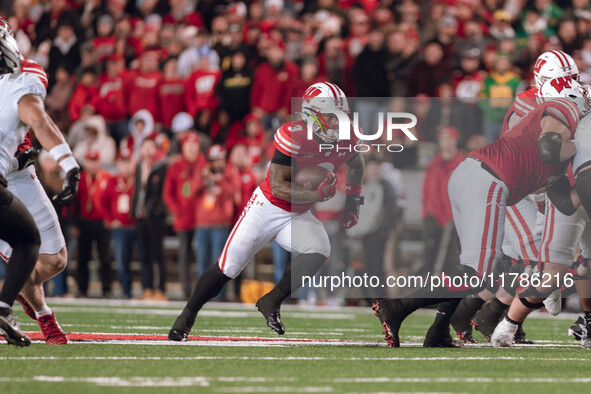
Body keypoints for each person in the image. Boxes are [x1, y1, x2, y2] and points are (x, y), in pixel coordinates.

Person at [373, 76, 585, 348]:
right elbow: (549, 147)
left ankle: (438, 330)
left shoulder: (562, 139)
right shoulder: (564, 108)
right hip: (489, 181)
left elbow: (565, 202)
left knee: (474, 269)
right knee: (479, 275)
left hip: (476, 175)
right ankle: (398, 307)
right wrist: (579, 145)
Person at [168, 82, 364, 341]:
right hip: (267, 207)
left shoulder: (348, 136)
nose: (339, 123)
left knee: (320, 249)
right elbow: (280, 187)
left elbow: (356, 164)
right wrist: (316, 195)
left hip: (298, 213)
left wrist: (352, 202)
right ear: (312, 114)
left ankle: (271, 300)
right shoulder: (294, 135)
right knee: (228, 268)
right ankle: (187, 315)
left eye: (342, 116)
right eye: (331, 116)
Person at [0, 18, 80, 346]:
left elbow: (38, 119)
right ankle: (44, 317)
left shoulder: (26, 74)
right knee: (26, 245)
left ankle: (13, 293)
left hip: (18, 177)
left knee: (55, 259)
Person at [163, 133, 206, 299]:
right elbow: (168, 193)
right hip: (183, 219)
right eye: (188, 145)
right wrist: (177, 210)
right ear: (183, 147)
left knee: (203, 255)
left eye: (194, 145)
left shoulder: (204, 165)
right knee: (184, 256)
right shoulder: (175, 167)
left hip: (202, 219)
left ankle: (203, 289)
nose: (191, 148)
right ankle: (186, 290)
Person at [421, 127, 464, 275]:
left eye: (449, 140)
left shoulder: (463, 165)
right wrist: (426, 214)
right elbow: (426, 192)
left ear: (455, 141)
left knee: (451, 259)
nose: (446, 143)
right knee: (430, 257)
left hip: (454, 220)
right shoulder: (433, 165)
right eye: (443, 140)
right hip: (433, 218)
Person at [132, 138, 169, 301]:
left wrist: (157, 210)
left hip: (155, 216)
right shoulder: (140, 167)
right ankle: (147, 288)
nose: (147, 150)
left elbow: (161, 193)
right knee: (144, 254)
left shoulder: (161, 167)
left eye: (150, 147)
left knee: (157, 253)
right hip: (141, 216)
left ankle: (160, 289)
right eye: (144, 147)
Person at [73, 151, 112, 298]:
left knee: (104, 258)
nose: (92, 164)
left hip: (102, 223)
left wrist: (110, 218)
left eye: (95, 161)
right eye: (90, 161)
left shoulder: (107, 178)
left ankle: (106, 289)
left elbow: (112, 200)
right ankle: (82, 289)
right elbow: (75, 202)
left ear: (99, 162)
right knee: (83, 257)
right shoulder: (81, 178)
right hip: (84, 222)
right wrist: (76, 224)